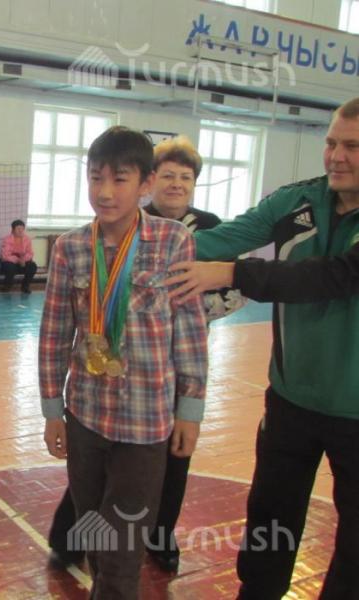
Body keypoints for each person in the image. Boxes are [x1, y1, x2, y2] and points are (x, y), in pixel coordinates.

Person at [163, 98, 359, 599]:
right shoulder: (296, 201)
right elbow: (226, 236)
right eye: (331, 143)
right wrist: (126, 241)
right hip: (290, 401)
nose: (336, 156)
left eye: (352, 146)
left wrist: (233, 273)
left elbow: (333, 277)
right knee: (270, 520)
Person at [40, 126, 208, 600]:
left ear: (145, 184)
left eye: (119, 179)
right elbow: (54, 333)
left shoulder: (173, 241)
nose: (105, 192)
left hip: (146, 423)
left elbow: (189, 330)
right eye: (96, 178)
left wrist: (190, 410)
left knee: (123, 550)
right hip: (85, 417)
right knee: (95, 536)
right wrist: (53, 410)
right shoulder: (71, 247)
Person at [0, 219, 38, 293]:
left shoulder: (27, 239)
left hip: (23, 260)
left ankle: (25, 286)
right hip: (10, 261)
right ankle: (7, 286)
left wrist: (23, 259)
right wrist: (18, 260)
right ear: (13, 230)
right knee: (10, 267)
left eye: (22, 229)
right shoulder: (7, 239)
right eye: (18, 229)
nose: (20, 231)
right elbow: (5, 255)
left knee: (33, 266)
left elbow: (30, 253)